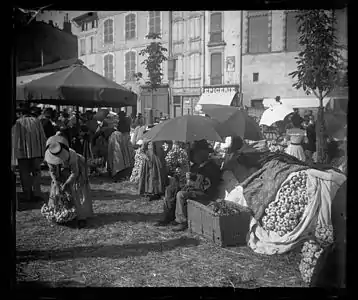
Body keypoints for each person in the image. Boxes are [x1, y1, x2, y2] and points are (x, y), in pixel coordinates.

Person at [156, 140, 221, 231]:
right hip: (193, 189)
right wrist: (182, 179)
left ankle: (182, 221)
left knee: (181, 195)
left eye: (196, 153)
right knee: (171, 189)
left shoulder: (212, 167)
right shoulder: (196, 166)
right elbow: (187, 179)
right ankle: (168, 216)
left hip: (204, 193)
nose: (194, 155)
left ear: (204, 153)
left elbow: (207, 185)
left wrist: (193, 179)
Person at [44, 134, 93, 228]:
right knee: (56, 191)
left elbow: (74, 172)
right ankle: (60, 213)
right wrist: (56, 182)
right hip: (60, 173)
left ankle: (81, 217)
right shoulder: (49, 156)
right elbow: (52, 171)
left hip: (75, 173)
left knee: (76, 191)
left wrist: (67, 183)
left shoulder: (72, 154)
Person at [12, 103, 47, 202]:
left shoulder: (18, 122)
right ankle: (36, 193)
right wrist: (42, 152)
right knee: (36, 173)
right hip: (36, 153)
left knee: (24, 174)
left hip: (22, 153)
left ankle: (27, 194)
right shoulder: (36, 121)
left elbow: (15, 139)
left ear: (21, 113)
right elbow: (43, 137)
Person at [107, 115, 135, 181]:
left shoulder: (115, 134)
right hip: (124, 162)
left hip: (119, 161)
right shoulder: (120, 135)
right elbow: (128, 148)